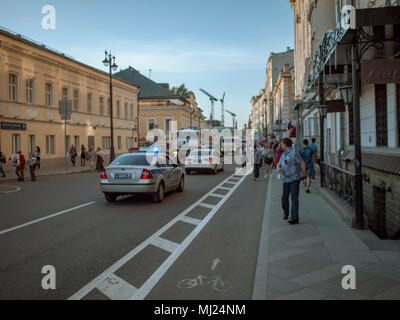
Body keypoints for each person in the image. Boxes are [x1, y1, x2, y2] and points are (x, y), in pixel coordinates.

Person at [277, 138, 307, 225]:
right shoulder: (284, 154)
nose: (281, 145)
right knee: (284, 198)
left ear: (285, 144)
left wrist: (304, 175)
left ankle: (295, 218)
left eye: (282, 144)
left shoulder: (294, 153)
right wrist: (278, 168)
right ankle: (286, 213)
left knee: (294, 198)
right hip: (285, 179)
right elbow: (279, 164)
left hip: (294, 178)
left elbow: (302, 163)